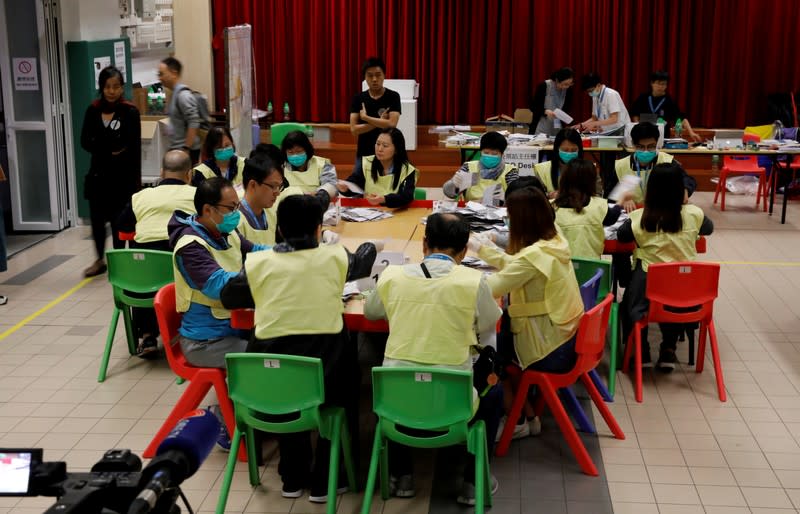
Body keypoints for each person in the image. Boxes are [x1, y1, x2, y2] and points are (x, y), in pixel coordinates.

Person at [220, 194, 379, 503]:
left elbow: (229, 297)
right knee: (348, 378)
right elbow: (363, 261)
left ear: (279, 231)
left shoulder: (258, 262)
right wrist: (370, 246)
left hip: (269, 374)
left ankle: (292, 477)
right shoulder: (334, 257)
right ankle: (331, 477)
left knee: (288, 389)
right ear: (319, 229)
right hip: (327, 369)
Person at [364, 213, 503, 505]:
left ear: (423, 244)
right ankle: (472, 482)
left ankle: (402, 475)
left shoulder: (393, 276)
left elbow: (371, 313)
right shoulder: (475, 281)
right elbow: (489, 325)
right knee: (495, 391)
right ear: (465, 251)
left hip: (395, 402)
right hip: (453, 403)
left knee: (398, 371)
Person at [468, 187, 584, 440]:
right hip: (567, 337)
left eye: (510, 216)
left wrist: (457, 276)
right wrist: (482, 249)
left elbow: (490, 289)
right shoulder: (554, 241)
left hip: (550, 348)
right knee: (499, 342)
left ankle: (517, 419)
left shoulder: (532, 256)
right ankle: (528, 416)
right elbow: (518, 266)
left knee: (490, 357)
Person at [619, 163, 713, 371]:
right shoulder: (694, 214)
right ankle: (668, 349)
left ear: (650, 190)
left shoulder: (640, 217)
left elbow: (622, 235)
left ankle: (641, 350)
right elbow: (709, 228)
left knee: (627, 303)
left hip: (647, 287)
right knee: (673, 297)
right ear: (681, 191)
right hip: (687, 293)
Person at [168, 177, 269, 371]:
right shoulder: (190, 247)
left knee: (286, 341)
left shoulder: (224, 231)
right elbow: (220, 286)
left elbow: (255, 250)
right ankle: (241, 401)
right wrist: (268, 276)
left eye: (237, 206)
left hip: (234, 327)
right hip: (206, 342)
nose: (236, 213)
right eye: (231, 208)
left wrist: (291, 252)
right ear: (208, 210)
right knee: (270, 359)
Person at [116, 150, 196, 358]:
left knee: (143, 262)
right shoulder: (197, 195)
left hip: (138, 286)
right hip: (179, 281)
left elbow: (123, 226)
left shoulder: (140, 197)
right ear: (190, 174)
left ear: (161, 172)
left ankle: (148, 335)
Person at [80, 66, 141, 278]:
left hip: (123, 178)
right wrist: (110, 147)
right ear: (101, 88)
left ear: (122, 88)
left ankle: (120, 261)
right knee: (97, 221)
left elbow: (131, 147)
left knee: (118, 221)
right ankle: (99, 260)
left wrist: (136, 184)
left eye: (116, 87)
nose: (112, 91)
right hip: (98, 177)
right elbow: (85, 142)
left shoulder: (129, 111)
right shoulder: (93, 110)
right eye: (107, 87)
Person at [614, 122, 696, 212]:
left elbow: (687, 179)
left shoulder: (666, 160)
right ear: (633, 145)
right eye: (641, 147)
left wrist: (685, 189)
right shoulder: (621, 165)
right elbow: (609, 194)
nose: (646, 151)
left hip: (659, 211)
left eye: (651, 147)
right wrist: (623, 198)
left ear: (656, 143)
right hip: (631, 212)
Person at [553, 159, 622, 259]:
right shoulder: (599, 205)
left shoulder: (551, 207)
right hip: (591, 268)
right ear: (592, 181)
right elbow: (613, 217)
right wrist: (621, 201)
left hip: (561, 268)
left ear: (563, 179)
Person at [338, 128, 418, 207]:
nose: (379, 149)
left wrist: (384, 199)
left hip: (396, 213)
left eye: (385, 146)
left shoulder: (407, 170)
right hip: (368, 213)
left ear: (396, 149)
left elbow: (406, 197)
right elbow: (355, 184)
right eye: (378, 144)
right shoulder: (367, 163)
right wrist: (345, 188)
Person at [442, 131, 519, 204]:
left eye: (494, 154)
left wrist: (506, 198)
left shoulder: (510, 171)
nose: (489, 156)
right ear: (480, 152)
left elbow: (518, 199)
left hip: (499, 212)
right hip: (471, 211)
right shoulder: (469, 167)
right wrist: (453, 185)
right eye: (486, 153)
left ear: (502, 155)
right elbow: (451, 195)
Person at [349, 57, 401, 160]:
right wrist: (381, 122)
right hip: (364, 153)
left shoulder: (393, 96)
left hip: (388, 154)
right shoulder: (358, 98)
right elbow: (354, 129)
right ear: (365, 77)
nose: (374, 79)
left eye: (378, 75)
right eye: (370, 75)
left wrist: (366, 118)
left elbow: (392, 124)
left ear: (384, 75)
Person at [630, 70, 701, 142]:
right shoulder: (643, 98)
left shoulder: (669, 101)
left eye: (663, 84)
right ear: (652, 83)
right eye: (658, 83)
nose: (660, 87)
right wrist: (638, 128)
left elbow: (681, 118)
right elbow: (635, 115)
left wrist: (691, 132)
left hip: (662, 137)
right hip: (643, 136)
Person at [158, 57, 202, 163]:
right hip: (178, 150)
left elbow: (194, 122)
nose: (160, 78)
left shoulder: (183, 95)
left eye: (162, 74)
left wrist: (186, 149)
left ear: (174, 73)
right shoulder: (174, 93)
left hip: (185, 151)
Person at [236, 156, 285, 246]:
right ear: (253, 185)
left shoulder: (272, 212)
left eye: (279, 186)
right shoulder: (235, 221)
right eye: (273, 186)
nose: (277, 192)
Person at [281, 130, 339, 206]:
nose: (295, 155)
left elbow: (331, 185)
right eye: (290, 152)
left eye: (299, 151)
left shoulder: (322, 164)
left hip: (318, 207)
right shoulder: (281, 167)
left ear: (307, 150)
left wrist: (318, 196)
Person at [533, 128, 584, 197]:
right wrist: (549, 195)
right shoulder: (542, 169)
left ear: (579, 150)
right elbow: (537, 196)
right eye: (565, 150)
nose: (569, 153)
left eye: (574, 150)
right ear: (557, 149)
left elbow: (596, 196)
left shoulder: (589, 168)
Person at [530, 67, 575, 136]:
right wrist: (545, 111)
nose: (567, 87)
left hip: (557, 125)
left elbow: (567, 108)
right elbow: (533, 106)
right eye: (565, 84)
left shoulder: (568, 91)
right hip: (541, 124)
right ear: (557, 80)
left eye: (570, 84)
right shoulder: (544, 86)